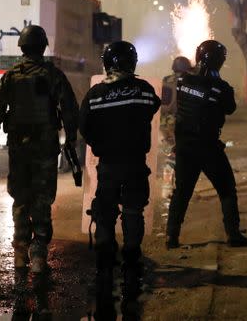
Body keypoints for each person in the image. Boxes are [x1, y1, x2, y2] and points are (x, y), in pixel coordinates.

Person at [0, 25, 79, 278]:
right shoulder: (53, 75)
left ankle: (20, 251)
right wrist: (71, 139)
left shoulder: (11, 76)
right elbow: (69, 109)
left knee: (21, 198)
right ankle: (38, 254)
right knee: (42, 198)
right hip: (45, 147)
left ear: (22, 47)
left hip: (18, 148)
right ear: (43, 46)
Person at [79, 41, 161, 304]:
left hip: (110, 164)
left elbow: (84, 126)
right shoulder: (145, 91)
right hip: (136, 162)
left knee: (105, 210)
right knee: (133, 210)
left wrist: (100, 142)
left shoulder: (96, 95)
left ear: (107, 63)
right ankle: (132, 257)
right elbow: (153, 107)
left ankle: (105, 259)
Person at [165, 40, 247, 249]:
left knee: (181, 193)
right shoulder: (221, 88)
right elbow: (230, 108)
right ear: (220, 61)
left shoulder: (184, 81)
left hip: (185, 147)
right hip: (209, 148)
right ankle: (233, 235)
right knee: (227, 190)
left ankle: (171, 237)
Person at [159, 56, 193, 198]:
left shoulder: (165, 81)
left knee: (171, 154)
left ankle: (167, 188)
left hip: (165, 124)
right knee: (182, 157)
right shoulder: (190, 82)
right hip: (181, 124)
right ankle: (176, 189)